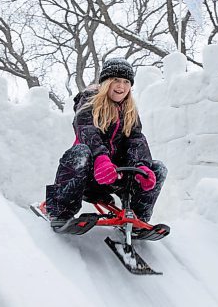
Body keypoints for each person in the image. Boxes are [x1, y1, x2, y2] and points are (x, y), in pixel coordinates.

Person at [45, 58, 167, 229]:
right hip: (89, 174)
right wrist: (101, 158)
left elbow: (136, 140)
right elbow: (86, 129)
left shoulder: (130, 111)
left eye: (126, 82)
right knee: (80, 152)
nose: (121, 86)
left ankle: (138, 221)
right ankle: (60, 211)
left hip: (115, 176)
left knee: (158, 169)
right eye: (116, 80)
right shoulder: (89, 102)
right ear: (105, 82)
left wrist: (142, 166)